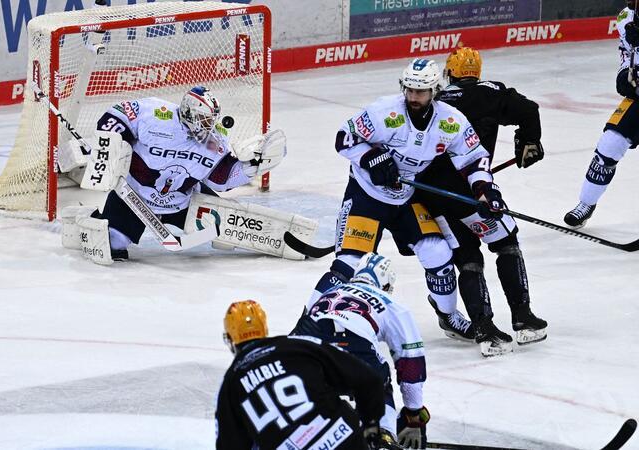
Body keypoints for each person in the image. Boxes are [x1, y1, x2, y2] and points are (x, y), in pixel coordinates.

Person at [312, 58, 502, 343]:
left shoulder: (450, 121)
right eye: (410, 90)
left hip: (406, 197)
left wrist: (485, 190)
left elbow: (474, 158)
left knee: (438, 253)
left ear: (435, 90)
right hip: (367, 196)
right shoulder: (383, 112)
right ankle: (308, 322)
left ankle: (448, 316)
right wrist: (370, 157)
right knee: (348, 265)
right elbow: (344, 137)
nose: (414, 97)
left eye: (421, 91)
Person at [413, 47, 547, 355]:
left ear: (449, 74)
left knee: (468, 259)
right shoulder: (493, 93)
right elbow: (530, 110)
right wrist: (529, 142)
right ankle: (523, 317)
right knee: (506, 243)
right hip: (476, 192)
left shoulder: (437, 101)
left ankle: (484, 327)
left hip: (436, 196)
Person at [63, 86, 283, 263]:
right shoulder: (154, 112)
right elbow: (116, 116)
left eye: (211, 121)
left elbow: (220, 179)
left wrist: (250, 168)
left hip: (184, 201)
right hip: (135, 196)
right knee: (113, 244)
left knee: (224, 228)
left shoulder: (214, 140)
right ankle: (87, 220)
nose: (209, 126)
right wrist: (112, 144)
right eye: (204, 120)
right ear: (189, 112)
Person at [292, 252, 431, 449]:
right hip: (352, 344)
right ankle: (383, 437)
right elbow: (411, 363)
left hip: (304, 349)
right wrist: (414, 414)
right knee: (377, 383)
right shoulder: (389, 302)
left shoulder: (330, 292)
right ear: (385, 285)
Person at [215, 300, 397, 450]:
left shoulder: (230, 386)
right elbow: (369, 380)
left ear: (230, 339)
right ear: (265, 328)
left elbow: (230, 445)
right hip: (346, 440)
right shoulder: (299, 345)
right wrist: (371, 424)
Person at [564, 0, 639, 228]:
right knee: (609, 144)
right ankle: (586, 204)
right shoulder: (626, 17)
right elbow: (627, 54)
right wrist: (624, 74)